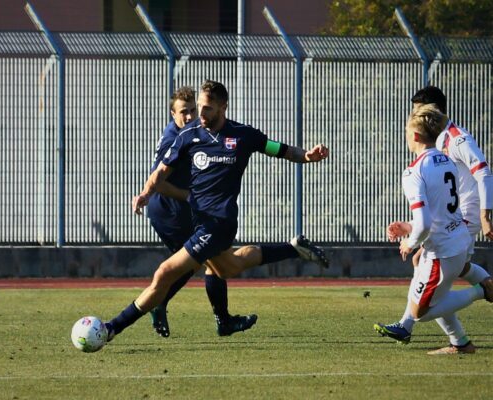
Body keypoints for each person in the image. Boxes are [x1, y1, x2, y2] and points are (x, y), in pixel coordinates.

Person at [101, 80, 329, 345]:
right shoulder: (188, 136)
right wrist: (145, 193)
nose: (201, 114)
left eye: (207, 108)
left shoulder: (243, 135)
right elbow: (162, 171)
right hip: (200, 222)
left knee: (164, 272)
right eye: (199, 107)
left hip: (220, 224)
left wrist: (307, 156)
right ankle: (292, 248)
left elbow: (280, 149)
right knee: (229, 266)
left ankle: (111, 328)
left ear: (223, 107)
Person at [375, 87, 493, 354]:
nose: (413, 113)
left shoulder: (456, 140)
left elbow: (483, 173)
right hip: (453, 220)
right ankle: (458, 340)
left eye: (416, 108)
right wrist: (410, 226)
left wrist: (485, 216)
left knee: (431, 269)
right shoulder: (438, 146)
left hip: (466, 217)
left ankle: (481, 290)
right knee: (441, 270)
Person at [146, 86, 257, 338]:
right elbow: (158, 181)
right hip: (169, 211)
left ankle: (222, 319)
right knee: (199, 260)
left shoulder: (195, 131)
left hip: (187, 211)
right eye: (183, 112)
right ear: (172, 114)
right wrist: (186, 195)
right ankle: (163, 304)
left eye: (192, 111)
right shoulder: (173, 137)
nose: (189, 116)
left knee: (208, 259)